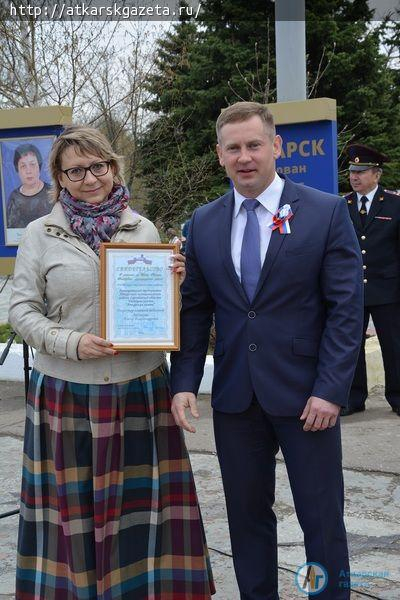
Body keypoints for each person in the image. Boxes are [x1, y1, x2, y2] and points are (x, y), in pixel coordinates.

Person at [9, 126, 215, 599]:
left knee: (141, 507)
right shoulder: (41, 234)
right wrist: (69, 342)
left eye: (98, 166)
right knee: (71, 511)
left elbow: (163, 319)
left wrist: (173, 288)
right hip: (65, 390)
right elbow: (21, 310)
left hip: (138, 387)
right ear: (59, 177)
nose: (89, 178)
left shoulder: (143, 229)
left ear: (113, 167)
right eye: (75, 170)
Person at [170, 102, 363, 599]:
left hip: (308, 400)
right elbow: (195, 311)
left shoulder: (324, 211)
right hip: (236, 400)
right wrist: (185, 383)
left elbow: (346, 309)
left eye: (254, 145)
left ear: (276, 146)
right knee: (247, 520)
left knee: (321, 520)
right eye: (233, 148)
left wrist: (331, 390)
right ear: (219, 156)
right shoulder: (204, 222)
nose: (244, 157)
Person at [343, 143, 400, 416]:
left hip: (388, 288)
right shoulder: (343, 205)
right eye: (352, 171)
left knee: (394, 345)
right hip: (353, 290)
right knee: (351, 347)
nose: (354, 176)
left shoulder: (394, 204)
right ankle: (354, 399)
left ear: (376, 174)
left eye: (361, 172)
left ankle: (398, 397)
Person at [6, 143, 52, 228]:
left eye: (32, 164)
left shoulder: (52, 193)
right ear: (17, 170)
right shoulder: (14, 197)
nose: (28, 171)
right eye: (23, 166)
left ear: (39, 167)